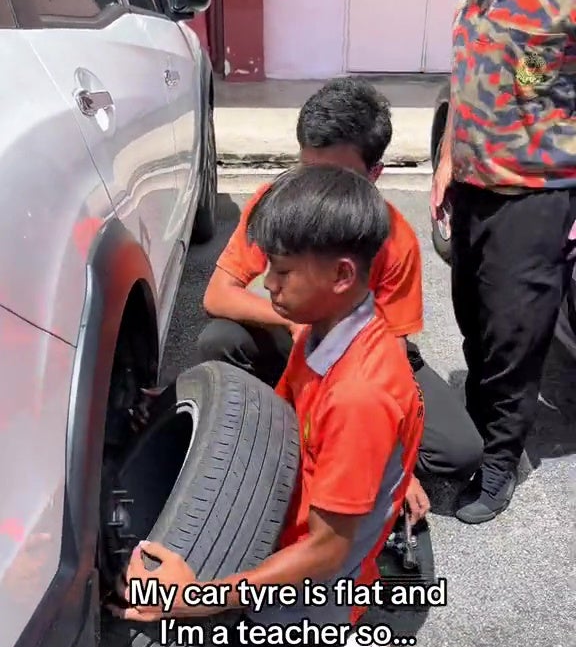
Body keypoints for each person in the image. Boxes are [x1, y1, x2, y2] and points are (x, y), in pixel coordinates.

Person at [110, 164, 425, 647]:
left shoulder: (361, 393)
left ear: (341, 275)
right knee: (139, 614)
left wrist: (200, 599)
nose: (268, 287)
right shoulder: (325, 327)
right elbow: (275, 422)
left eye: (281, 272)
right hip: (282, 536)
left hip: (315, 588)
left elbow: (325, 554)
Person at [198, 77, 483, 523]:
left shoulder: (396, 240)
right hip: (300, 342)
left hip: (368, 359)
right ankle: (276, 432)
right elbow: (218, 295)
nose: (317, 190)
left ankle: (325, 436)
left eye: (337, 176)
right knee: (220, 339)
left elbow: (392, 351)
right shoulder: (275, 204)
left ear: (375, 174)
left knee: (459, 453)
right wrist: (294, 324)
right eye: (308, 171)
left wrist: (395, 466)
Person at [431, 0, 576, 524]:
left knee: (516, 336)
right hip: (474, 186)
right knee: (476, 321)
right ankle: (486, 427)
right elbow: (466, 73)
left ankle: (498, 464)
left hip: (538, 194)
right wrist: (443, 164)